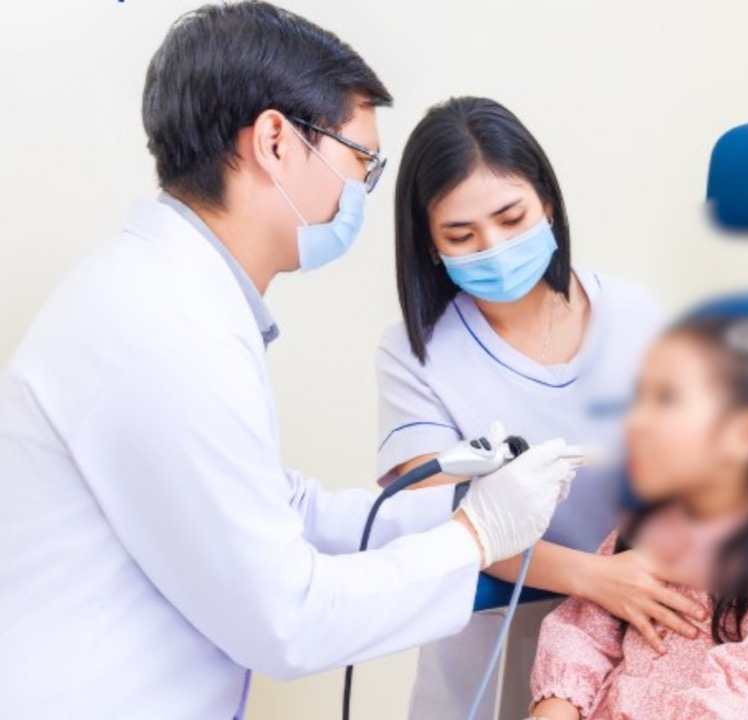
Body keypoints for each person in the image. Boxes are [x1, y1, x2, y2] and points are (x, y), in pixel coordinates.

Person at [0, 4, 573, 718]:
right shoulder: (169, 330)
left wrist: (453, 508)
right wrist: (476, 534)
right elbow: (289, 621)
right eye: (360, 159)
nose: (361, 190)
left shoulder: (166, 296)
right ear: (276, 141)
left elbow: (275, 508)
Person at [376, 97, 701, 719]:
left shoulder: (633, 316)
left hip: (634, 644)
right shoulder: (414, 353)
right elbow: (440, 522)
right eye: (461, 235)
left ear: (547, 201)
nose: (493, 247)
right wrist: (595, 577)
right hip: (487, 645)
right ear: (430, 245)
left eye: (511, 217)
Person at [526, 315, 748, 719]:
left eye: (666, 400)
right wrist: (556, 707)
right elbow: (583, 632)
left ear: (745, 434)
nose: (636, 421)